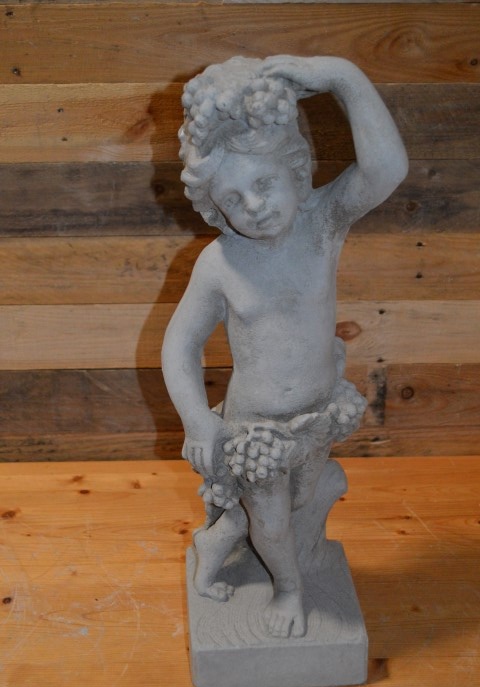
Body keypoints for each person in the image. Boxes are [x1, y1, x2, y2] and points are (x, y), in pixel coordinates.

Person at [162, 55, 408, 638]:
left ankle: (219, 540)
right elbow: (179, 343)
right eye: (232, 199)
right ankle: (289, 589)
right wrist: (198, 420)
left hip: (318, 412)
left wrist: (343, 76)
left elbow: (386, 168)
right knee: (271, 524)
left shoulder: (322, 225)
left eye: (264, 183)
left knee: (296, 507)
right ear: (214, 207)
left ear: (295, 170)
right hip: (257, 430)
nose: (254, 207)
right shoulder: (220, 264)